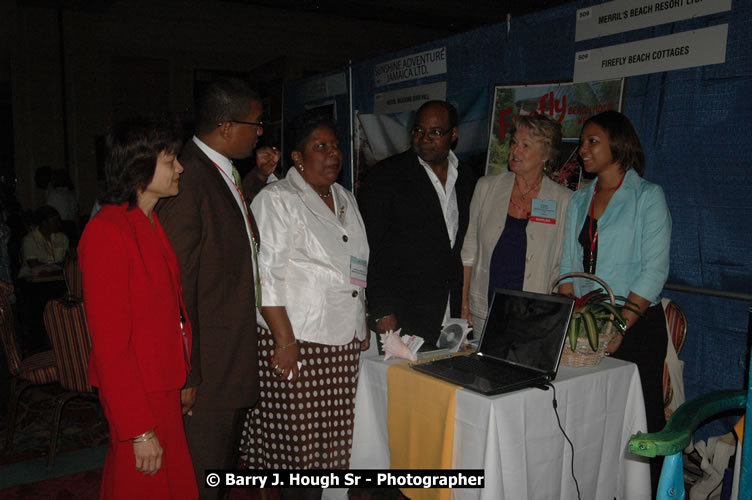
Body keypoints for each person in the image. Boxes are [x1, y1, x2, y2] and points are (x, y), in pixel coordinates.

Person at [239, 111, 369, 500]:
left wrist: (359, 321)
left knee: (332, 453)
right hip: (298, 345)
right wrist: (284, 342)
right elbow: (266, 278)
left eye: (335, 147)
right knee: (298, 458)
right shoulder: (277, 200)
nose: (333, 155)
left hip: (341, 345)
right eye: (320, 147)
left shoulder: (344, 197)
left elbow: (357, 265)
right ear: (297, 156)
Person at [78, 114, 197, 499]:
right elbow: (111, 346)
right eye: (170, 161)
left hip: (159, 386)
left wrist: (180, 376)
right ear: (139, 167)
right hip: (137, 396)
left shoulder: (146, 221)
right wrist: (138, 429)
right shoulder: (107, 232)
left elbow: (167, 314)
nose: (179, 168)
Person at [156, 78, 262, 500]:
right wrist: (188, 371)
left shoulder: (220, 172)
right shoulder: (189, 180)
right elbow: (175, 286)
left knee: (217, 474)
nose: (259, 133)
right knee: (201, 478)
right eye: (255, 124)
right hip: (208, 368)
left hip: (227, 357)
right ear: (225, 126)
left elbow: (228, 239)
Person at [558, 110, 671, 495]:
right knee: (593, 416)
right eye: (582, 142)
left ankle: (645, 489)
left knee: (641, 416)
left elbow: (654, 270)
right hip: (587, 325)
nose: (583, 150)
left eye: (593, 141)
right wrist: (569, 319)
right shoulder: (579, 199)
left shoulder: (648, 196)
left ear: (618, 145)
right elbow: (569, 268)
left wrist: (620, 324)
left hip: (635, 325)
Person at [358, 100, 476, 347]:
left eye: (435, 132)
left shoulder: (467, 178)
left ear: (453, 134)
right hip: (403, 313)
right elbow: (370, 247)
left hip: (450, 312)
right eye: (419, 130)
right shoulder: (387, 176)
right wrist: (381, 309)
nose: (424, 138)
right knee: (405, 384)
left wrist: (464, 304)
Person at [461, 114, 572, 333]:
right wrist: (464, 301)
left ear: (546, 155)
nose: (515, 151)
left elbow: (562, 263)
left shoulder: (563, 200)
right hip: (485, 306)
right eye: (514, 143)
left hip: (535, 313)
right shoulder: (486, 187)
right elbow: (469, 249)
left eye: (525, 145)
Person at [16, 205, 69, 350]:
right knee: (38, 304)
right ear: (44, 223)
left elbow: (66, 259)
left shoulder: (61, 237)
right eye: (54, 221)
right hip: (34, 283)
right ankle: (39, 343)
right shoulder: (30, 239)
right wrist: (53, 266)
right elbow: (33, 264)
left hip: (56, 279)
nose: (58, 224)